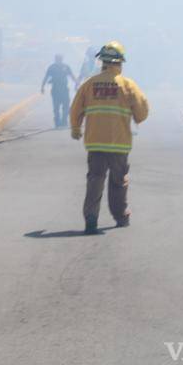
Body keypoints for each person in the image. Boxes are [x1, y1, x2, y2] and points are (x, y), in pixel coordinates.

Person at [69, 41, 149, 234]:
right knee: (118, 182)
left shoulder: (89, 84)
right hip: (119, 144)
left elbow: (76, 109)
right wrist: (135, 117)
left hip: (95, 143)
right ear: (120, 63)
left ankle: (90, 219)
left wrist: (75, 128)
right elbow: (142, 110)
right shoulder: (128, 85)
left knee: (95, 180)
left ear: (102, 62)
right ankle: (121, 217)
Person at [41, 54, 77, 128]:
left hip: (64, 89)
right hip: (56, 90)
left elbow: (72, 76)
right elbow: (46, 77)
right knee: (56, 107)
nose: (59, 60)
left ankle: (64, 121)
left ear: (62, 59)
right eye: (58, 59)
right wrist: (42, 87)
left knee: (66, 106)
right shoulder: (52, 67)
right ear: (55, 59)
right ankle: (57, 122)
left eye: (60, 59)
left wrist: (77, 84)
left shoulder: (66, 67)